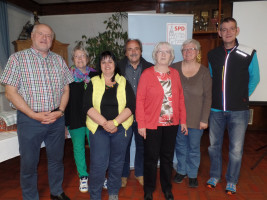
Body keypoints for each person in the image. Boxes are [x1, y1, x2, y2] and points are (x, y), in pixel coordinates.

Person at [0, 24, 73, 200]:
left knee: (57, 159)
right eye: (40, 34)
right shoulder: (17, 59)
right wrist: (33, 114)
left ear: (52, 40)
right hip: (30, 120)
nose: (44, 38)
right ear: (32, 36)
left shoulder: (58, 60)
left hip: (56, 118)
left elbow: (66, 90)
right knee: (29, 163)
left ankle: (56, 192)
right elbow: (10, 92)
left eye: (48, 35)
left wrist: (61, 111)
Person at [206, 17, 260, 195]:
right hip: (216, 110)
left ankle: (231, 180)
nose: (228, 32)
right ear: (219, 32)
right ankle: (214, 176)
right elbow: (213, 78)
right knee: (214, 146)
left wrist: (243, 97)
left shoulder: (248, 52)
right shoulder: (213, 55)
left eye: (231, 29)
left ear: (237, 31)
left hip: (239, 110)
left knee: (236, 149)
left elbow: (255, 78)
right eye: (224, 29)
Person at [136, 42, 187, 200]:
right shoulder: (147, 74)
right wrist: (141, 124)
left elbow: (180, 98)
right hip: (152, 125)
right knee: (151, 159)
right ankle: (149, 190)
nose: (163, 54)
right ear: (155, 54)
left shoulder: (175, 74)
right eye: (160, 51)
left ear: (171, 56)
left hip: (171, 124)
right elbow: (140, 100)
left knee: (167, 158)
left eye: (167, 52)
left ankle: (167, 188)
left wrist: (183, 120)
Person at [83, 51, 135, 200]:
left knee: (117, 163)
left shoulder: (123, 82)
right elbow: (86, 106)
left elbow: (131, 106)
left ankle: (113, 192)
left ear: (115, 65)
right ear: (100, 65)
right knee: (99, 164)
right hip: (98, 129)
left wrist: (115, 123)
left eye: (110, 61)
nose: (107, 65)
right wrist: (105, 123)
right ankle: (95, 195)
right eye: (103, 62)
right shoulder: (93, 82)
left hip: (120, 130)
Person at [171, 39, 212, 188]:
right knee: (180, 146)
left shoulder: (204, 72)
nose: (188, 52)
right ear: (181, 53)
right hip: (177, 118)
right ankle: (181, 171)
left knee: (194, 147)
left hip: (196, 119)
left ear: (197, 52)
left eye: (191, 49)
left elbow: (208, 97)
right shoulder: (174, 68)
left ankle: (193, 174)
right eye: (185, 50)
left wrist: (204, 119)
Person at [118, 39, 153, 187]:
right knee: (123, 146)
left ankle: (140, 173)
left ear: (141, 51)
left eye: (136, 48)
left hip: (143, 116)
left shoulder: (150, 68)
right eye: (130, 49)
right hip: (122, 115)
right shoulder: (117, 67)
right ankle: (123, 174)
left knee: (142, 146)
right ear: (126, 52)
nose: (133, 52)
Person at [64, 43, 97, 193]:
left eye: (82, 55)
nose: (80, 59)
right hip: (75, 118)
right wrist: (65, 123)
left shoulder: (95, 75)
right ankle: (83, 176)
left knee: (97, 147)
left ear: (87, 58)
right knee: (78, 148)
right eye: (76, 56)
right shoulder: (67, 76)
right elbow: (63, 99)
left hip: (94, 119)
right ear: (73, 59)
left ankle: (98, 175)